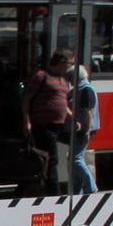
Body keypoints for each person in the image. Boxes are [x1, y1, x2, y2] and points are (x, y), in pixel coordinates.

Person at [23, 49, 76, 194]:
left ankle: (43, 187)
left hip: (58, 125)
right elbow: (27, 99)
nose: (71, 67)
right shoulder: (41, 77)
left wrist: (72, 118)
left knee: (49, 159)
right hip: (43, 124)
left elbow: (63, 103)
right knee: (51, 159)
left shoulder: (63, 80)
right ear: (61, 62)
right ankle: (54, 192)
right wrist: (26, 121)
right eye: (70, 64)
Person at [67, 62, 99, 194]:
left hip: (84, 129)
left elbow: (88, 112)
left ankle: (91, 187)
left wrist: (86, 130)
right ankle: (78, 190)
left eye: (69, 77)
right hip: (81, 129)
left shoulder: (85, 89)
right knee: (76, 158)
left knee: (76, 159)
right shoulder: (80, 89)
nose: (69, 81)